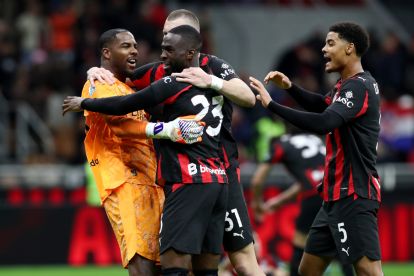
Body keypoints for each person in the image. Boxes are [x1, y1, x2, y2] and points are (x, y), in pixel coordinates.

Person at [87, 9, 264, 276]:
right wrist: (96, 69)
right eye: (166, 34)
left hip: (221, 172)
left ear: (192, 41)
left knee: (241, 261)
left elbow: (248, 98)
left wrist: (212, 81)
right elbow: (120, 82)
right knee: (200, 263)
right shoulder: (161, 70)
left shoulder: (214, 65)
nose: (168, 40)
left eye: (176, 33)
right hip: (189, 173)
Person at [63, 25, 230, 276]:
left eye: (135, 46)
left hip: (151, 179)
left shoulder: (130, 89)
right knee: (141, 257)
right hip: (125, 181)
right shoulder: (99, 84)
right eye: (126, 46)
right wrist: (166, 129)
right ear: (106, 53)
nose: (135, 51)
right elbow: (118, 125)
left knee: (162, 259)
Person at [249, 22, 383, 276]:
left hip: (353, 194)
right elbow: (323, 105)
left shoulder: (358, 86)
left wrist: (272, 106)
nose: (323, 49)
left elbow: (325, 122)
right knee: (307, 270)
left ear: (350, 48)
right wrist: (290, 88)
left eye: (331, 43)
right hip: (332, 197)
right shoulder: (347, 86)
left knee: (368, 271)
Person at [251, 132, 354, 276]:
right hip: (336, 189)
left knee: (300, 241)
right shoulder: (312, 138)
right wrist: (277, 202)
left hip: (315, 193)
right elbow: (308, 180)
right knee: (339, 241)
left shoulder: (279, 145)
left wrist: (257, 204)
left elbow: (257, 180)